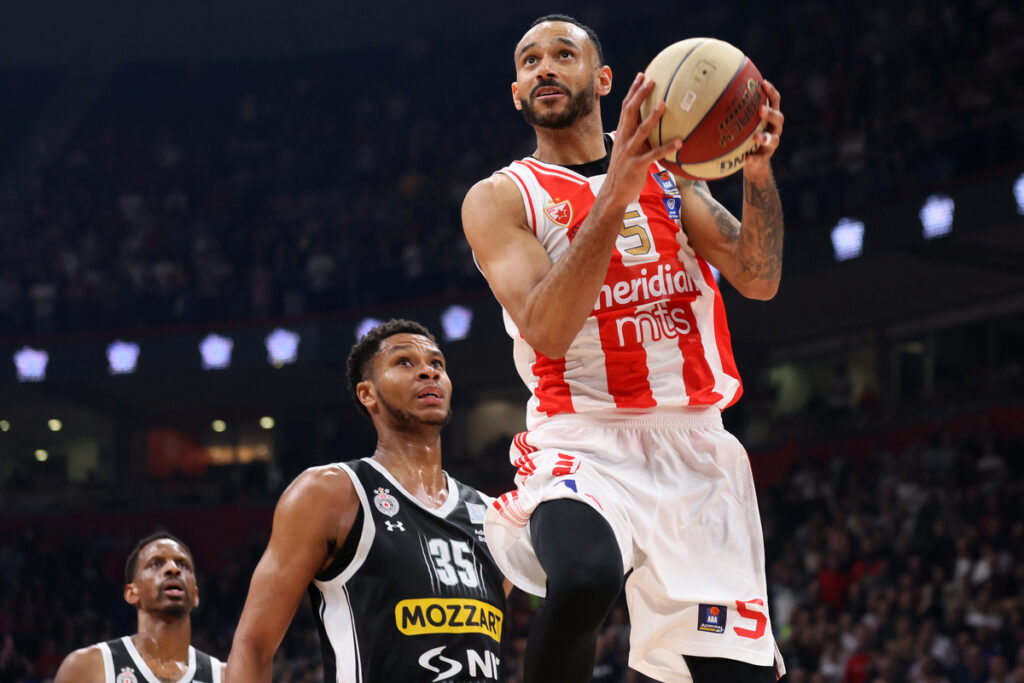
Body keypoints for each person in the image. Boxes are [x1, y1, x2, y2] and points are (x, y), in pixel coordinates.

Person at [461, 13, 787, 683]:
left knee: (738, 677)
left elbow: (759, 276)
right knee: (583, 577)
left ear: (604, 79)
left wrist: (756, 174)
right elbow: (546, 329)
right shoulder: (500, 198)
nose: (544, 67)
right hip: (584, 437)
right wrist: (616, 189)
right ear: (517, 93)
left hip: (694, 443)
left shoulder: (673, 172)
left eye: (563, 54)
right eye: (529, 62)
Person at [225, 319, 508, 682]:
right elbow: (253, 644)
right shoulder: (330, 493)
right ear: (367, 394)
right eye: (405, 362)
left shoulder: (491, 515)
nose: (428, 372)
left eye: (437, 364)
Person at [54, 532, 224, 683]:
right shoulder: (87, 668)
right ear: (132, 593)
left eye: (183, 565)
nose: (173, 569)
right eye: (156, 564)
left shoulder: (224, 677)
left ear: (196, 595)